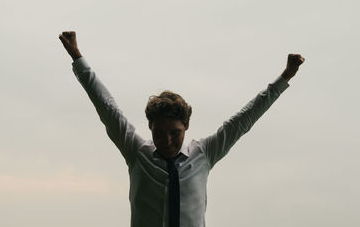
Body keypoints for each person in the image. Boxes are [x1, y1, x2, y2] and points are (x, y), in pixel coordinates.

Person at [58, 31, 305, 227]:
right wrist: (78, 58)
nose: (166, 140)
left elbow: (244, 119)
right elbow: (107, 107)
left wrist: (284, 77)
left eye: (174, 132)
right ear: (149, 127)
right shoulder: (137, 152)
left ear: (186, 126)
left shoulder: (205, 153)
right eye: (158, 132)